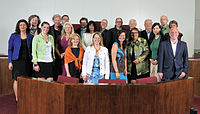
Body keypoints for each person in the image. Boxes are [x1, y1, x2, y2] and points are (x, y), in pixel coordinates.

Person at [8, 19, 34, 102]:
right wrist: (10, 62)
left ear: (27, 26)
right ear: (18, 26)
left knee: (27, 79)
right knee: (16, 80)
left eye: (24, 25)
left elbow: (32, 49)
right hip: (17, 61)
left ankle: (25, 96)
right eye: (20, 25)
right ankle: (17, 98)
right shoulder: (13, 36)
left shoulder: (30, 36)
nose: (22, 26)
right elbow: (10, 49)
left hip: (27, 61)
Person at [48, 14, 63, 80]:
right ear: (53, 20)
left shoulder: (63, 28)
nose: (57, 21)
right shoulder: (49, 29)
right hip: (51, 51)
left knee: (60, 69)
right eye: (56, 20)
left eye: (58, 20)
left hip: (61, 52)